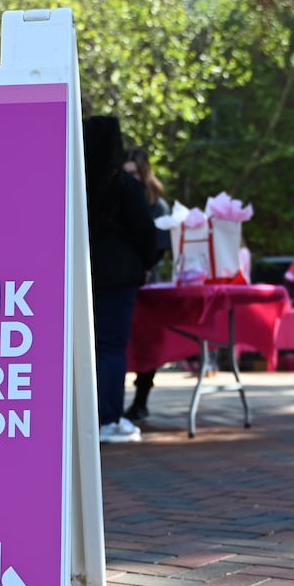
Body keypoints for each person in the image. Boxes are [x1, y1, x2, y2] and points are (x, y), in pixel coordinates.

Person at [85, 116, 159, 444]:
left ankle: (84, 415)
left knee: (84, 347)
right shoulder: (125, 187)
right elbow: (145, 232)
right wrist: (148, 262)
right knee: (112, 347)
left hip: (84, 274)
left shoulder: (75, 181)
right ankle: (108, 417)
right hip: (119, 275)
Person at [123, 146, 170, 424]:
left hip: (146, 284)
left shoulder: (156, 204)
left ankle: (141, 400)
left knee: (147, 342)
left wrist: (146, 266)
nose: (130, 178)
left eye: (135, 173)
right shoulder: (116, 198)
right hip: (121, 280)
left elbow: (160, 245)